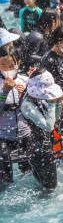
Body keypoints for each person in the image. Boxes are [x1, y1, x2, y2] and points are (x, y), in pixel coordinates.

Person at [21, 70, 63, 192]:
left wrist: (58, 102)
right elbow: (48, 127)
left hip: (45, 147)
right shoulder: (27, 105)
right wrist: (51, 104)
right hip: (38, 150)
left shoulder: (37, 98)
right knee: (50, 188)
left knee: (48, 187)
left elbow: (54, 119)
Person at [0, 43, 31, 190]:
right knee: (5, 182)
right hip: (3, 137)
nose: (6, 69)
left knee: (30, 174)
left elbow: (37, 110)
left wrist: (27, 94)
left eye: (11, 65)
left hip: (26, 134)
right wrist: (4, 92)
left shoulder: (26, 81)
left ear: (18, 63)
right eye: (2, 65)